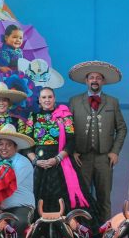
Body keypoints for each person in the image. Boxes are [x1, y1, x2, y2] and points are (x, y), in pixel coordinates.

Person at [68, 61, 127, 224]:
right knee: (81, 199)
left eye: (99, 78)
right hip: (82, 159)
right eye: (91, 77)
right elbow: (67, 129)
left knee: (104, 199)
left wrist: (115, 151)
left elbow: (122, 128)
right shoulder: (74, 101)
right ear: (86, 81)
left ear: (103, 81)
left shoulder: (112, 102)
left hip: (104, 159)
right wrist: (72, 151)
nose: (95, 80)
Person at [25, 87, 93, 215]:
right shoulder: (33, 117)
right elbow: (26, 143)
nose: (47, 100)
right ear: (39, 100)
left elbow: (71, 141)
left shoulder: (64, 116)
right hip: (39, 165)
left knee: (65, 199)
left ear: (54, 98)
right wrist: (35, 161)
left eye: (50, 97)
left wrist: (57, 159)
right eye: (44, 97)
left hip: (61, 161)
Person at [0, 124, 36, 238]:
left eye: (8, 144)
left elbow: (7, 185)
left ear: (16, 147)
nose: (4, 148)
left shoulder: (23, 162)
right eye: (1, 144)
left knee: (18, 224)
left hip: (21, 207)